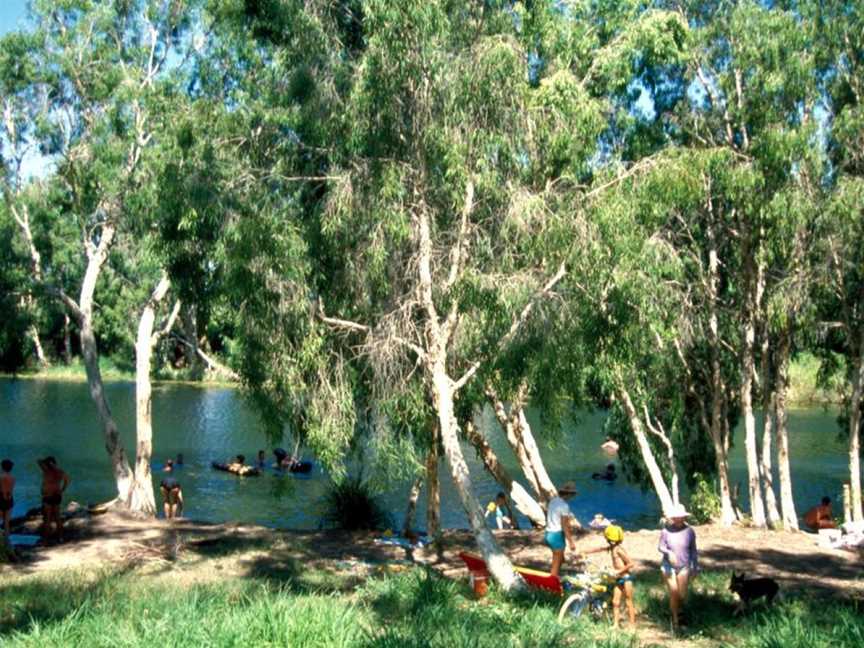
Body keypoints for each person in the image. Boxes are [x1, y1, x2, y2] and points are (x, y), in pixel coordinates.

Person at [580, 525, 636, 628]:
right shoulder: (612, 548)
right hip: (618, 578)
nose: (610, 541)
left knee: (628, 601)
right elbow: (599, 549)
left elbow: (631, 564)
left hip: (626, 578)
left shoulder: (619, 550)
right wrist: (585, 551)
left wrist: (619, 571)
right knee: (615, 602)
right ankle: (615, 624)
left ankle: (632, 625)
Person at [658, 504, 698, 630]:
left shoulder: (690, 531)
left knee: (681, 594)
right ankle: (675, 620)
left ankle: (678, 612)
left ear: (684, 517)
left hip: (684, 566)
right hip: (668, 566)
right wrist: (668, 553)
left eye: (681, 517)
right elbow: (660, 547)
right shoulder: (665, 531)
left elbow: (693, 550)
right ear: (672, 518)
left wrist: (695, 566)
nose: (678, 519)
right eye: (676, 517)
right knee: (674, 592)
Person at [546, 481, 579, 577]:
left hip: (548, 533)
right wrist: (571, 542)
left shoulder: (553, 501)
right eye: (572, 494)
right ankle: (552, 585)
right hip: (556, 535)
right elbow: (564, 525)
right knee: (555, 565)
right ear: (568, 494)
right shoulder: (564, 506)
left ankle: (564, 574)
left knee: (560, 557)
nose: (572, 497)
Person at [38, 456, 70, 541]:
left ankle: (46, 540)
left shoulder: (46, 471)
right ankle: (60, 537)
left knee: (48, 519)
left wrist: (48, 464)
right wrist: (62, 489)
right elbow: (67, 480)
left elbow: (39, 461)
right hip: (56, 495)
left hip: (48, 496)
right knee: (57, 517)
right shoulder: (59, 472)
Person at [1, 459, 15, 537]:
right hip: (10, 499)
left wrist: (4, 496)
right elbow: (10, 490)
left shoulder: (1, 477)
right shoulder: (12, 478)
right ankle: (7, 542)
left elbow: (3, 490)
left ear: (2, 467)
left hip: (1, 498)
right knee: (6, 523)